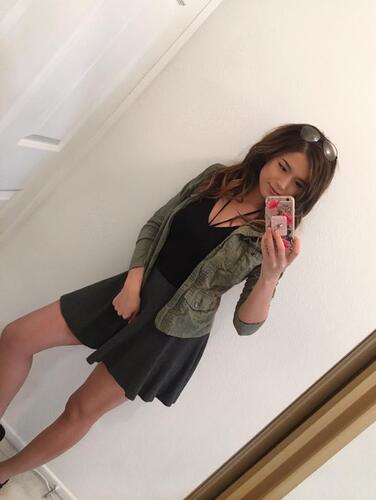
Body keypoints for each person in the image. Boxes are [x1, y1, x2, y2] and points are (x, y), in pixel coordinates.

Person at [0, 123, 338, 489]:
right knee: (17, 337)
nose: (283, 185)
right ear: (268, 154)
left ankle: (4, 473)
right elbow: (156, 224)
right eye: (283, 167)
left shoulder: (274, 240)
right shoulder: (215, 179)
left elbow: (246, 324)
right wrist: (132, 283)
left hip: (171, 331)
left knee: (80, 409)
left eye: (298, 184)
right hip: (134, 288)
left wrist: (270, 276)